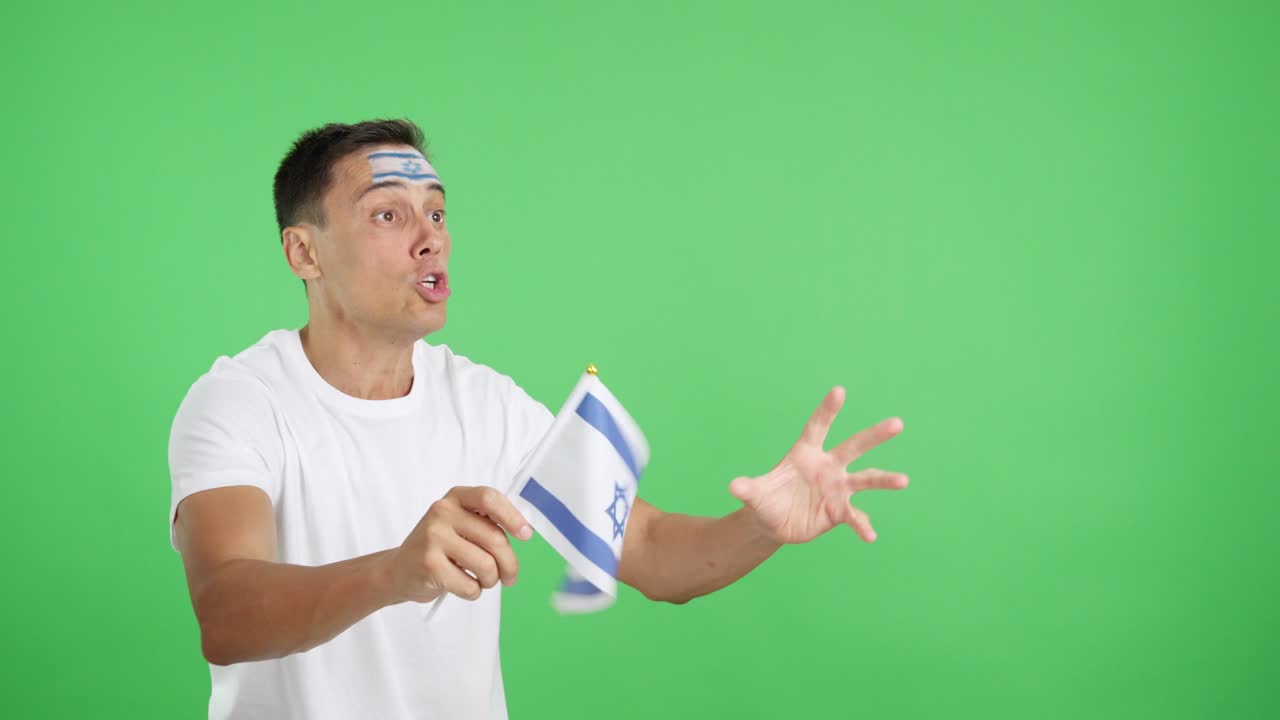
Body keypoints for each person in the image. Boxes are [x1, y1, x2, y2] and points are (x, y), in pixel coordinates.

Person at [168, 118, 910, 719]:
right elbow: (228, 613)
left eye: (437, 211)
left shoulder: (483, 402)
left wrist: (759, 528)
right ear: (304, 252)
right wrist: (397, 571)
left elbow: (648, 549)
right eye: (388, 214)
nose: (430, 236)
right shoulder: (241, 402)